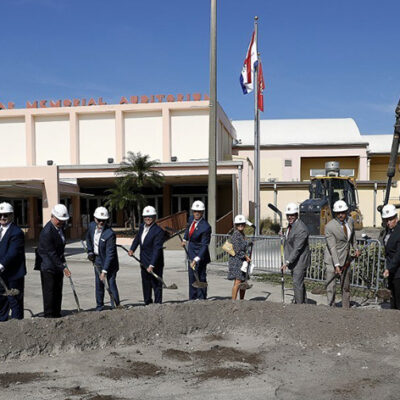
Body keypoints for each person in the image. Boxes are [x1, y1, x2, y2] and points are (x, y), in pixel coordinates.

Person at [35, 204, 71, 318]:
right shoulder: (47, 232)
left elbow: (60, 249)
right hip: (48, 266)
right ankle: (49, 315)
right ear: (52, 217)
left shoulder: (60, 228)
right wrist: (63, 267)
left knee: (57, 290)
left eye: (63, 221)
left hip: (57, 265)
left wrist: (63, 263)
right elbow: (51, 253)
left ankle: (57, 313)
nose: (62, 223)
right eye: (59, 221)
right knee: (49, 292)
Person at [324, 200, 360, 308]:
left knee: (346, 286)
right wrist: (336, 265)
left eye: (343, 212)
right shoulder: (329, 227)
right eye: (338, 213)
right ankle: (331, 307)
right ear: (335, 213)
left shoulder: (350, 221)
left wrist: (356, 248)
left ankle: (346, 307)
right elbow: (332, 247)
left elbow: (352, 237)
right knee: (331, 287)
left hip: (346, 259)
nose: (341, 215)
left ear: (346, 211)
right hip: (332, 260)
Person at [86, 206, 120, 310]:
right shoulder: (91, 226)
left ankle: (116, 306)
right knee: (99, 284)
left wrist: (104, 271)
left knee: (111, 283)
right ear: (95, 219)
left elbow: (110, 254)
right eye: (99, 220)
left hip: (109, 262)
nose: (101, 223)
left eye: (104, 221)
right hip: (97, 259)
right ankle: (99, 306)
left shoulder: (110, 234)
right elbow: (88, 239)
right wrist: (90, 251)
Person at [129, 206, 164, 305]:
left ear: (154, 217)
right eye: (145, 217)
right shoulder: (142, 227)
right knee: (146, 284)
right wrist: (132, 249)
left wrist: (152, 265)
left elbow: (157, 249)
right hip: (143, 261)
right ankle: (147, 303)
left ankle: (158, 304)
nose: (147, 219)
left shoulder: (158, 231)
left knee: (156, 285)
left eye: (150, 217)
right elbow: (137, 239)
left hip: (155, 262)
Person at [0, 202, 26, 321]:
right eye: (0, 215)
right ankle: (3, 322)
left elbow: (13, 252)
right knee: (2, 300)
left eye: (5, 215)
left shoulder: (17, 232)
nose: (2, 218)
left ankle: (17, 325)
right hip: (2, 274)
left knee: (15, 301)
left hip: (13, 274)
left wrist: (1, 264)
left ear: (11, 215)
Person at [281, 203, 310, 304]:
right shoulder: (291, 226)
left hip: (300, 261)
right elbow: (290, 238)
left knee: (297, 283)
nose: (290, 217)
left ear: (297, 215)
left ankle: (299, 306)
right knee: (299, 283)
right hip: (295, 260)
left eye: (292, 215)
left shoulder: (301, 229)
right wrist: (284, 234)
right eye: (288, 215)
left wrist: (287, 262)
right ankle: (303, 303)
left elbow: (297, 248)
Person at [181, 200, 211, 300]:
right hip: (191, 253)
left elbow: (204, 245)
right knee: (192, 277)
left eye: (199, 211)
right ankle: (192, 299)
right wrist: (185, 239)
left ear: (202, 212)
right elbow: (188, 230)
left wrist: (196, 259)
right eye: (195, 211)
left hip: (200, 256)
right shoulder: (191, 219)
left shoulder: (206, 227)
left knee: (200, 277)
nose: (196, 213)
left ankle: (202, 299)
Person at [227, 214, 251, 300]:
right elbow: (237, 250)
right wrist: (246, 256)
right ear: (235, 225)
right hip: (237, 261)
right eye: (238, 224)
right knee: (238, 281)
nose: (240, 226)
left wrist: (250, 243)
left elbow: (244, 246)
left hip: (242, 261)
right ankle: (234, 301)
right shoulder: (236, 235)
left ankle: (241, 300)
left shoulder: (242, 234)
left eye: (242, 224)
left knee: (243, 281)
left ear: (244, 224)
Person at [382, 204, 400, 309]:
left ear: (396, 218)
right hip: (392, 272)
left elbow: (398, 254)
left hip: (398, 272)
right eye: (386, 220)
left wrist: (389, 268)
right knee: (393, 299)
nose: (388, 222)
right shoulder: (388, 231)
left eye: (390, 220)